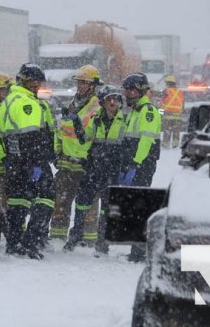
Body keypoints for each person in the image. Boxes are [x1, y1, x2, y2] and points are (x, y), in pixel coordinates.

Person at [0, 63, 55, 259]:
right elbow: (31, 137)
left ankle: (14, 242)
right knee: (46, 197)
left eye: (38, 82)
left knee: (18, 201)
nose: (37, 86)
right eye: (34, 82)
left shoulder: (9, 100)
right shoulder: (27, 103)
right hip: (30, 160)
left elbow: (3, 134)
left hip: (15, 160)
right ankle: (31, 241)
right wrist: (36, 164)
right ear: (24, 81)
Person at [63, 85, 126, 255]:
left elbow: (128, 146)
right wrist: (76, 122)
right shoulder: (96, 119)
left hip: (112, 168)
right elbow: (84, 139)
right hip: (94, 166)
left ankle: (103, 242)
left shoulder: (125, 119)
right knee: (82, 201)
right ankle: (75, 236)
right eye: (109, 99)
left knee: (107, 205)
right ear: (103, 103)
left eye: (116, 99)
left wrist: (125, 167)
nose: (113, 102)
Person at [51, 65, 102, 245]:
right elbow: (61, 131)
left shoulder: (97, 107)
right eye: (79, 82)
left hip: (86, 164)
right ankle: (57, 237)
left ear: (93, 85)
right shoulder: (70, 105)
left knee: (88, 205)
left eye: (84, 82)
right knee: (60, 202)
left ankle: (88, 240)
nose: (80, 85)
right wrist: (57, 152)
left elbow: (95, 136)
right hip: (66, 163)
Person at [119, 72, 162, 262]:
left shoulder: (148, 111)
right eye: (127, 90)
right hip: (133, 164)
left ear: (142, 91)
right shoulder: (134, 111)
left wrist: (135, 163)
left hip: (141, 165)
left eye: (133, 90)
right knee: (133, 206)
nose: (128, 93)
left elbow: (145, 141)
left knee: (139, 206)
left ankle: (139, 252)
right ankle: (136, 250)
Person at [0, 74, 14, 210]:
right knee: (1, 197)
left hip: (11, 161)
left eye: (7, 90)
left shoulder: (11, 106)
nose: (5, 93)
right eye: (2, 90)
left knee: (14, 197)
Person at [159, 75, 184, 148]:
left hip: (167, 114)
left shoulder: (166, 91)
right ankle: (175, 143)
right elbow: (182, 104)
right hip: (178, 115)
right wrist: (180, 112)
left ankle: (166, 143)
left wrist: (160, 115)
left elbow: (161, 104)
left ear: (168, 83)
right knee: (176, 130)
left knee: (167, 130)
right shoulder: (179, 92)